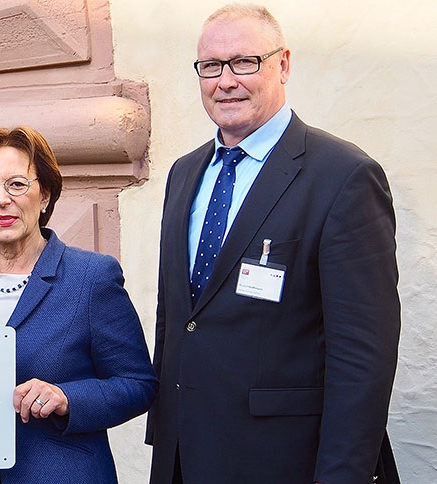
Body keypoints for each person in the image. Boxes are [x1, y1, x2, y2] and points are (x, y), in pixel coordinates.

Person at [146, 5, 401, 484]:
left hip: (285, 462)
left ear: (283, 64)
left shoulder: (343, 177)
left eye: (245, 62)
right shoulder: (184, 173)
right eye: (211, 66)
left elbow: (363, 356)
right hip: (185, 456)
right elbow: (178, 319)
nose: (225, 81)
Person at [0, 126, 158, 483]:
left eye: (17, 184)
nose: (1, 200)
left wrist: (66, 397)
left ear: (45, 194)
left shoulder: (92, 276)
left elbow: (137, 384)